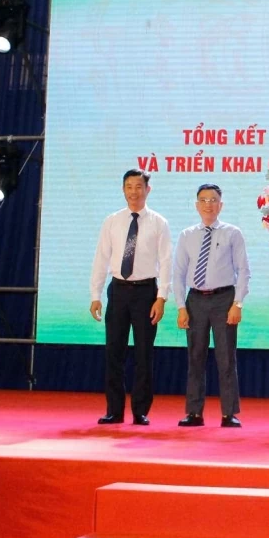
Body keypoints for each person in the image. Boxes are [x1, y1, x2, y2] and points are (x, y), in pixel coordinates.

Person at [89, 169, 172, 426]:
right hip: (118, 290)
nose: (134, 191)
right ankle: (114, 410)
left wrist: (161, 298)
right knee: (114, 351)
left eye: (138, 186)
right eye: (129, 186)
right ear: (123, 189)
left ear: (148, 189)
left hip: (146, 292)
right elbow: (101, 258)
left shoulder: (159, 223)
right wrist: (95, 294)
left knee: (144, 353)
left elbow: (166, 262)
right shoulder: (112, 221)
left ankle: (140, 411)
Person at [172, 183, 251, 428]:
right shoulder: (186, 235)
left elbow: (244, 271)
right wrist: (181, 307)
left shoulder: (232, 233)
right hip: (195, 300)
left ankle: (229, 413)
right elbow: (178, 273)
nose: (209, 204)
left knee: (226, 358)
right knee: (195, 357)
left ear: (221, 205)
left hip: (224, 299)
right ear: (197, 205)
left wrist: (238, 303)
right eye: (204, 200)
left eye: (213, 200)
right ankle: (194, 412)